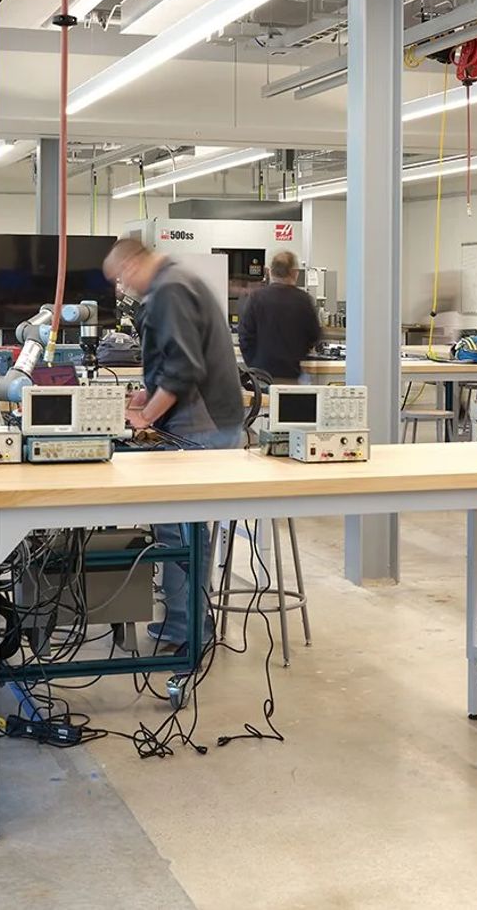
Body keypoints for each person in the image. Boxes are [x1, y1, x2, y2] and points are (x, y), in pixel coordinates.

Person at [103, 238, 244, 650]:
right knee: (184, 530)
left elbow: (183, 369)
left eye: (122, 278)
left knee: (181, 532)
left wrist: (144, 418)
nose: (125, 288)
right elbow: (175, 363)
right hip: (206, 420)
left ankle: (188, 631)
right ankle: (190, 624)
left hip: (201, 427)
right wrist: (147, 396)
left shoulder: (169, 290)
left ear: (133, 263)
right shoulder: (182, 281)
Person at [237, 250, 320, 382]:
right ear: (294, 272)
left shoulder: (256, 298)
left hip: (261, 376)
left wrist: (253, 363)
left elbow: (244, 336)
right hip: (291, 375)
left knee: (264, 403)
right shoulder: (303, 300)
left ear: (270, 271)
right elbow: (314, 335)